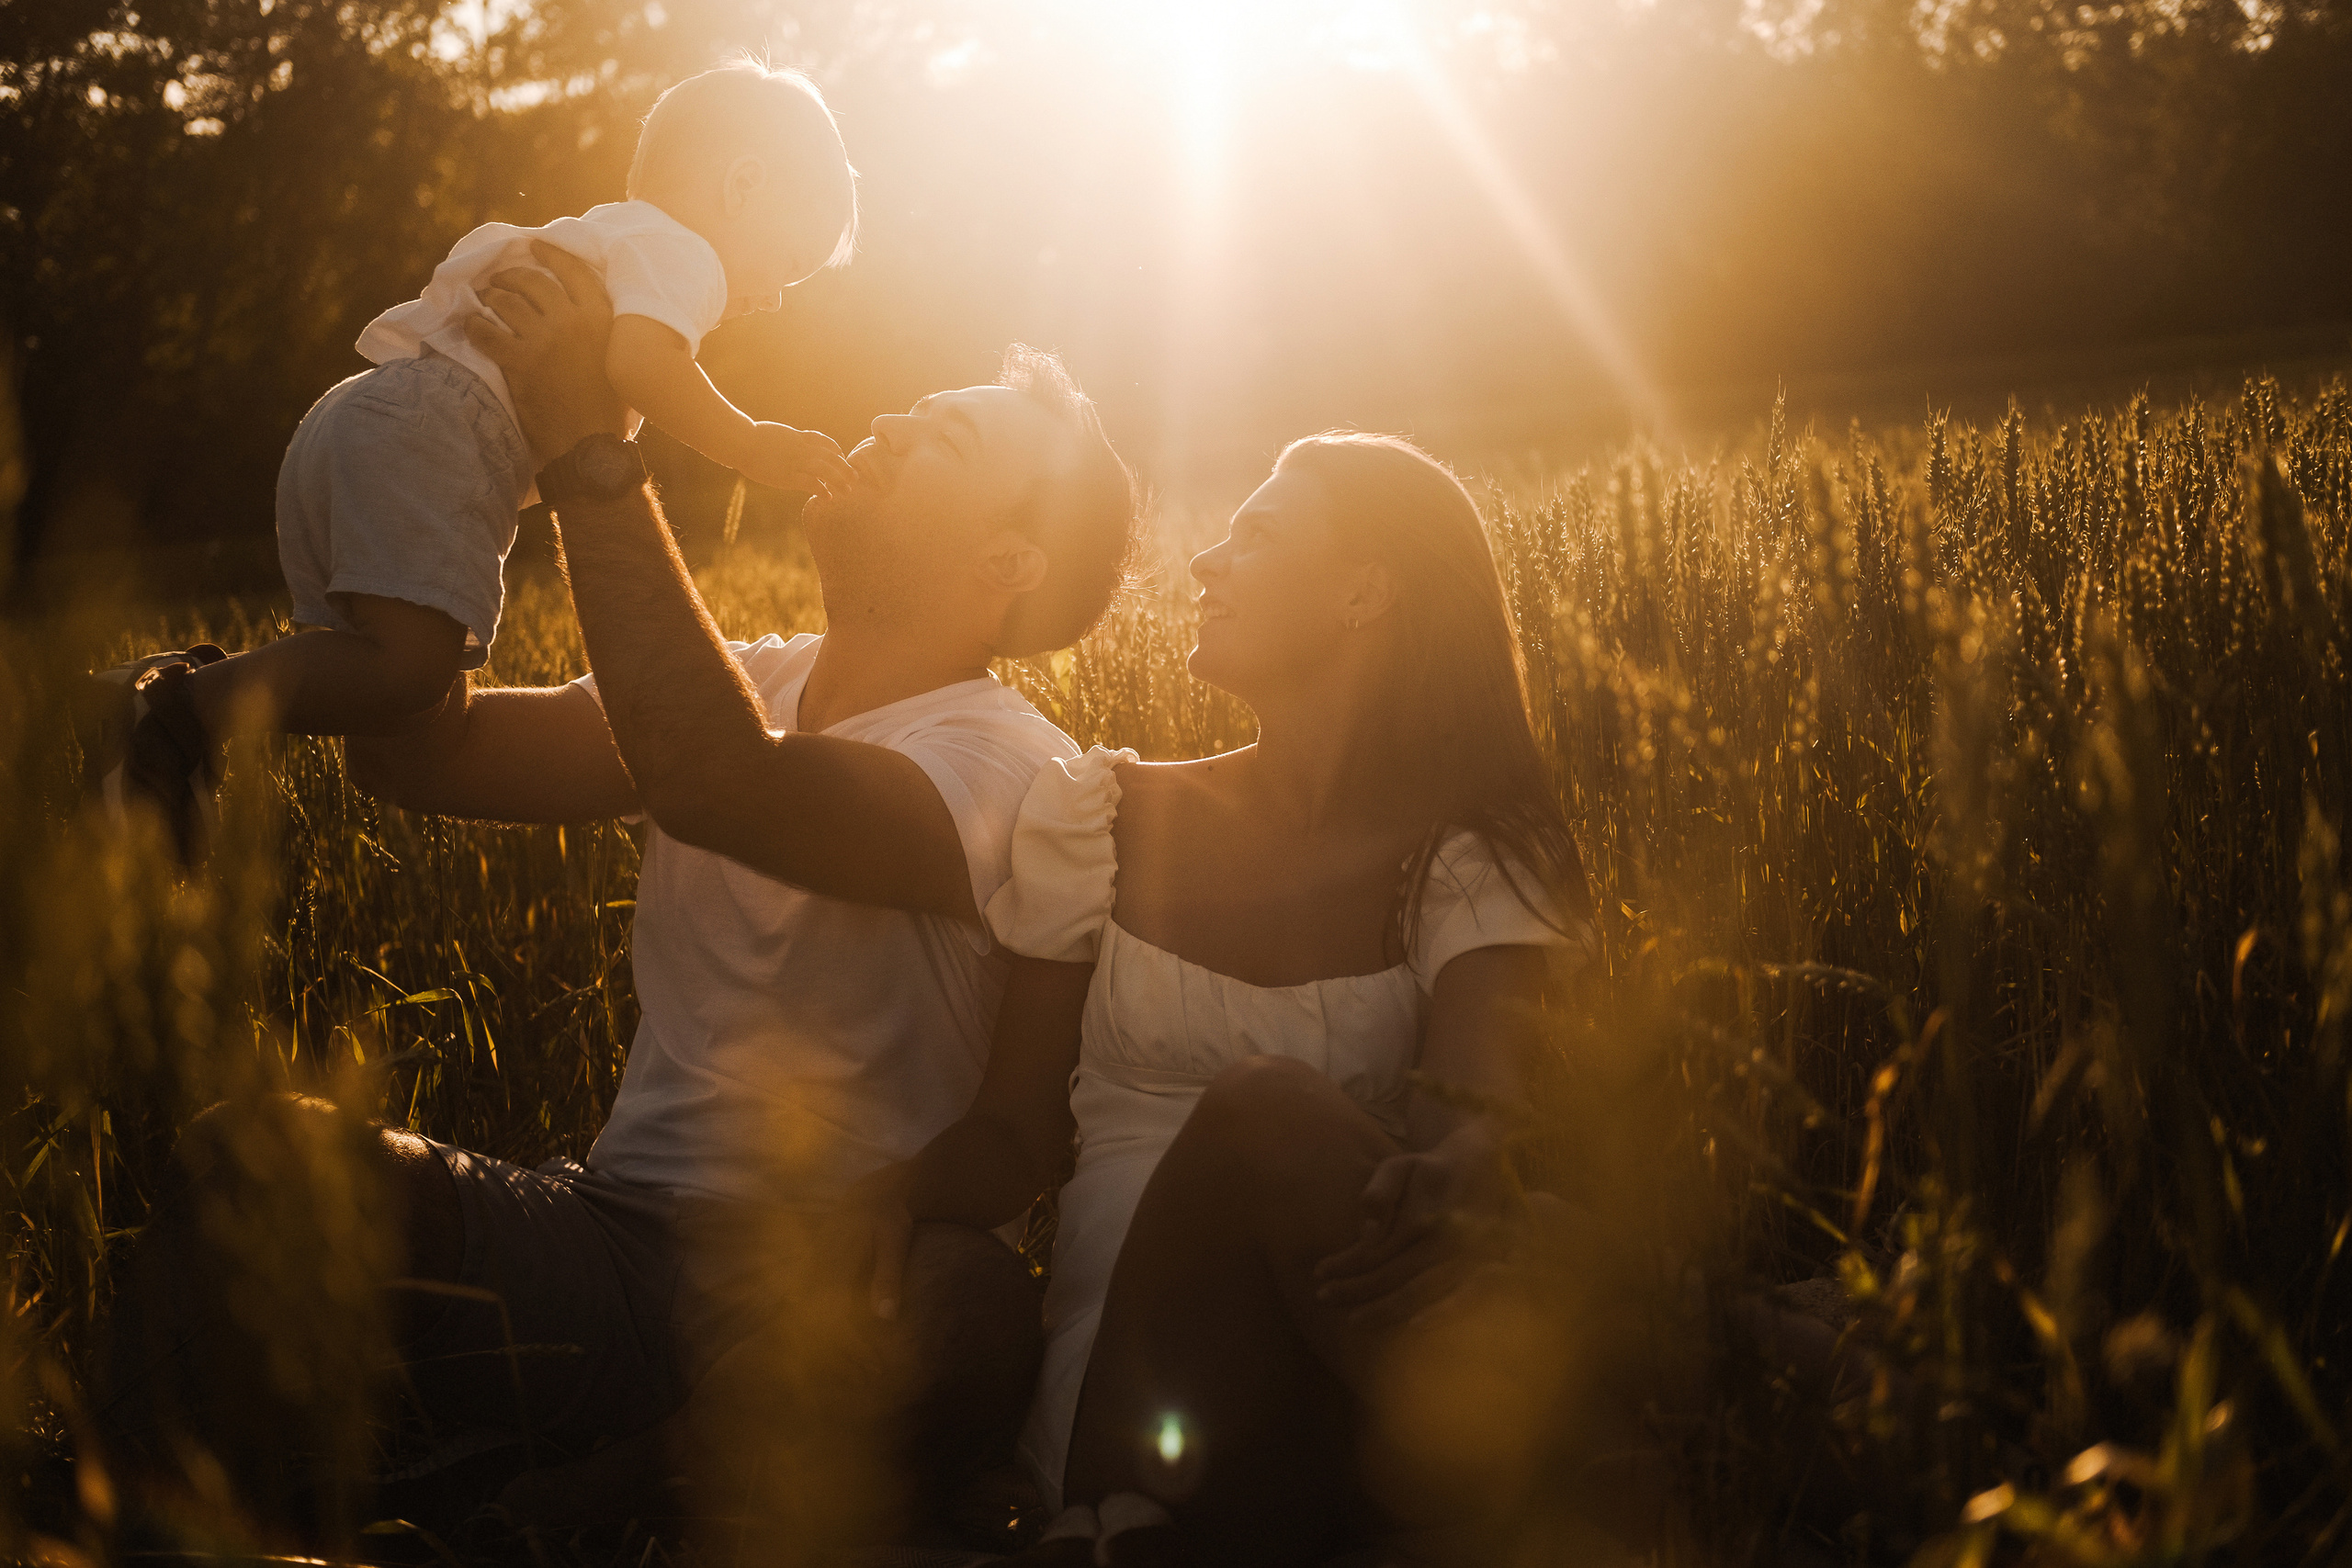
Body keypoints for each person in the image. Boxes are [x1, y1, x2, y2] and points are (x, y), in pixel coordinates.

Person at [96, 245, 1141, 1551]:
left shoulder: (1013, 768)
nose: (887, 421)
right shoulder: (748, 676)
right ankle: (144, 1528)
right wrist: (424, 485)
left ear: (1008, 558)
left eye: (942, 435)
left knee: (971, 1301)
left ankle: (555, 1518)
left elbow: (719, 782)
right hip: (600, 1245)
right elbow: (425, 753)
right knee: (257, 1156)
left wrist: (595, 452)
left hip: (816, 1301)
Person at [851, 432, 1598, 1564]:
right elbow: (1013, 1135)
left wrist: (1463, 1169)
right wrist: (872, 1202)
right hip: (1138, 1403)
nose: (1206, 563)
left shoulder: (1466, 855)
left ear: (1363, 591)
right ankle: (1617, 1468)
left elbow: (1471, 1112)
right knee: (1264, 1113)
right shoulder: (1101, 815)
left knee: (1535, 1230)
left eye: (1257, 534)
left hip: (1346, 1353)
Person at [77, 60, 859, 863]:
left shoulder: (614, 233)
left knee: (368, 682)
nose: (771, 297)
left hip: (362, 416)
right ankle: (180, 704)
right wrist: (752, 441)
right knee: (410, 672)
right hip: (434, 438)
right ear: (744, 185)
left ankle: (151, 765)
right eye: (787, 263)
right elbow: (641, 367)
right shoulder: (685, 256)